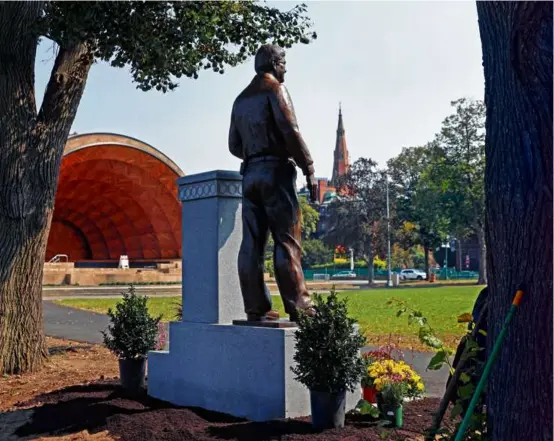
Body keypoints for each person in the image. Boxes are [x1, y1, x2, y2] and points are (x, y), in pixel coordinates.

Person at [228, 44, 317, 322]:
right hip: (275, 173)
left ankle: (256, 307)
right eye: (283, 61)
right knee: (287, 241)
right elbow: (291, 131)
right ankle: (301, 307)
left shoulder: (240, 100)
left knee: (251, 243)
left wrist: (254, 152)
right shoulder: (275, 90)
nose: (286, 67)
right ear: (273, 63)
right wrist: (309, 167)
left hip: (250, 175)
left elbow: (233, 145)